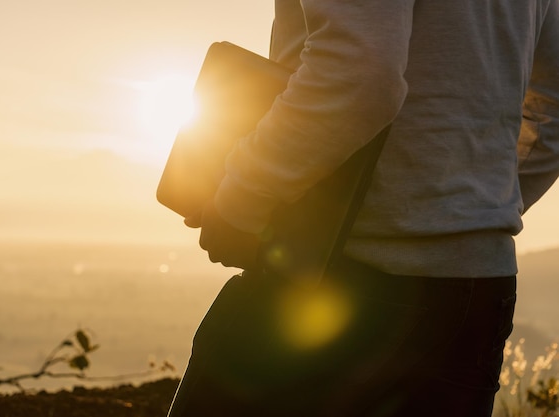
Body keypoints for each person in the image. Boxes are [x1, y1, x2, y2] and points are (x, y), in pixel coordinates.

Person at [172, 0, 559, 416]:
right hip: (478, 291)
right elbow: (553, 104)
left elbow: (361, 72)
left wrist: (240, 200)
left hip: (341, 271)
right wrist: (472, 212)